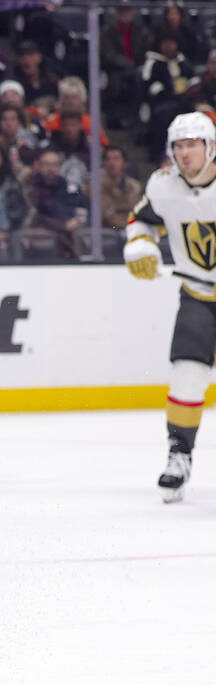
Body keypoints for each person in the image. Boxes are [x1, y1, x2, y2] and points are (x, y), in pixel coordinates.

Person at [123, 112, 216, 504]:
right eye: (178, 146)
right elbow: (139, 220)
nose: (184, 153)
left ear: (210, 146)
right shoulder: (162, 186)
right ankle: (179, 455)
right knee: (186, 376)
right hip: (197, 293)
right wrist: (140, 246)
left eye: (192, 144)